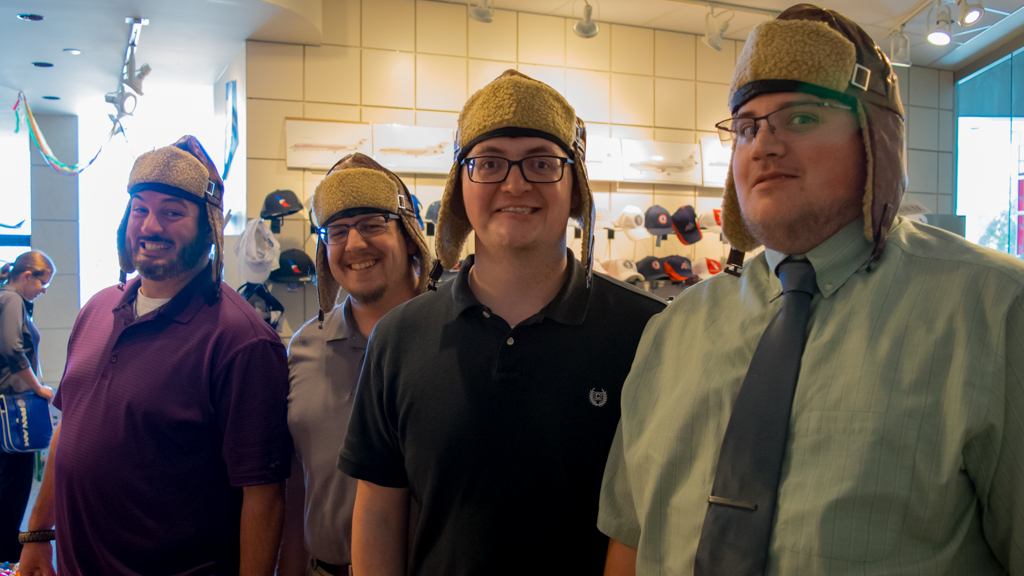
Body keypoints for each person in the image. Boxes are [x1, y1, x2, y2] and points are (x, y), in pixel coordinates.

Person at [599, 5, 1024, 575]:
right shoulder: (673, 331)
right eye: (746, 127)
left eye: (800, 117)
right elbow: (630, 541)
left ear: (876, 139)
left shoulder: (996, 312)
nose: (763, 146)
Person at [339, 70, 666, 576]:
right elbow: (379, 515)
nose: (515, 184)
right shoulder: (400, 338)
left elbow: (653, 519)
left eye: (542, 162)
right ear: (460, 186)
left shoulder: (648, 333)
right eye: (489, 163)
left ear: (575, 186)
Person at [18, 136, 292, 576]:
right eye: (140, 209)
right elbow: (69, 426)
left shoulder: (241, 342)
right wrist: (37, 534)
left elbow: (264, 495)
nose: (150, 226)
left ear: (208, 227)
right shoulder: (97, 310)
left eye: (172, 212)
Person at [277, 153, 431, 576]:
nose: (355, 244)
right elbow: (298, 482)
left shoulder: (452, 338)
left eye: (372, 223)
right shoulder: (305, 347)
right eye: (338, 230)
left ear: (410, 235)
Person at [0, 251, 55, 562]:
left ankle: (7, 544)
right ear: (27, 276)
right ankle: (7, 548)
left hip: (9, 402)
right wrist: (38, 388)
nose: (43, 290)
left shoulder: (7, 298)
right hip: (13, 404)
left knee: (11, 480)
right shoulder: (12, 300)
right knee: (14, 482)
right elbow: (13, 349)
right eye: (43, 283)